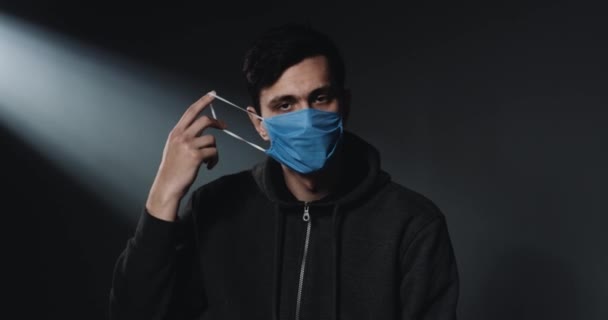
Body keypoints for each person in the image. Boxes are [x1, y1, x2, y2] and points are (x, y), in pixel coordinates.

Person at [109, 24, 459, 320]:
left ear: (345, 104)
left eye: (320, 98)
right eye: (285, 105)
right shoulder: (213, 209)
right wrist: (164, 195)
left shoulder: (412, 224)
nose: (305, 118)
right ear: (258, 123)